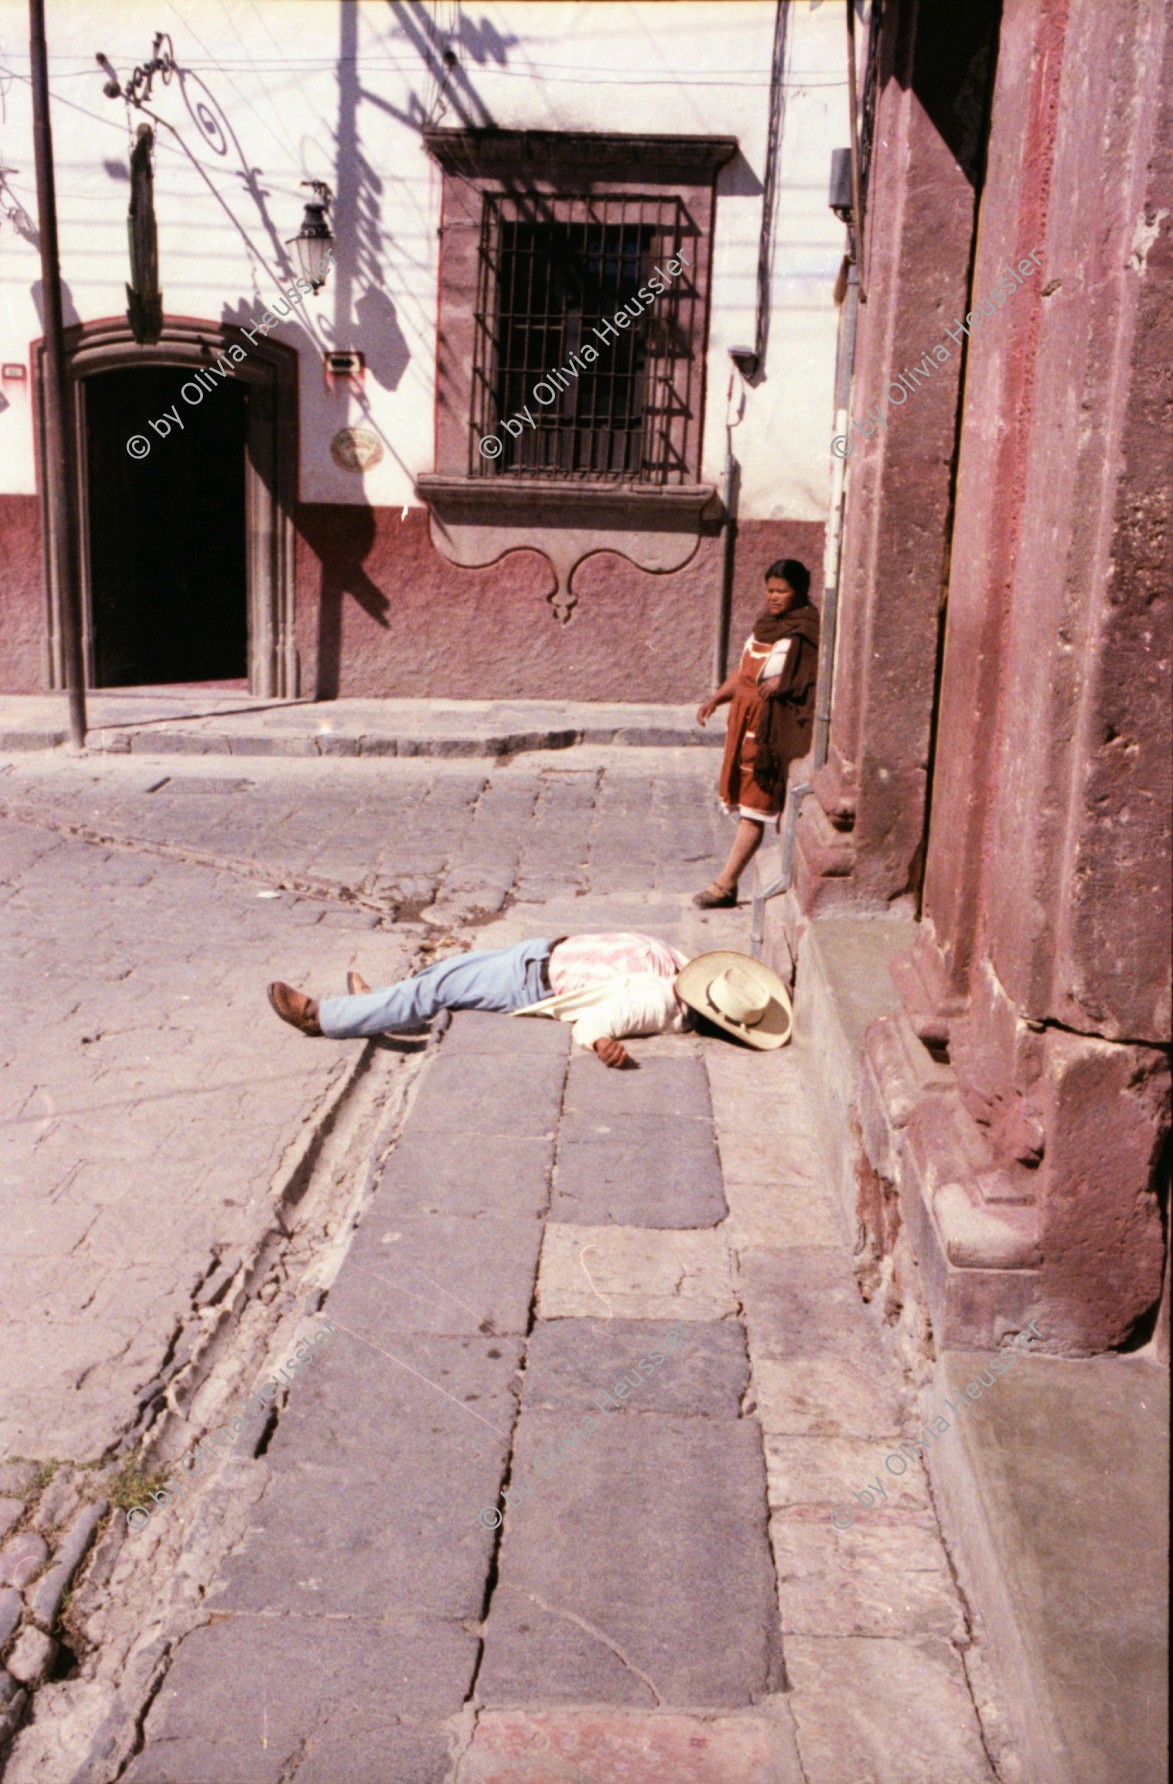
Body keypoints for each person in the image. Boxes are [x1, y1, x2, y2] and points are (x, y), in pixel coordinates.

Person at [267, 934, 792, 1065]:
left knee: (437, 988)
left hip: (531, 981)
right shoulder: (681, 969)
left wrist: (603, 1044)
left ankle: (324, 1017)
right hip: (536, 956)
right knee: (445, 972)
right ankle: (380, 1003)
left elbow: (598, 1024)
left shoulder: (661, 1001)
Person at [694, 557, 820, 907]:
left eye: (782, 591)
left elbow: (818, 675)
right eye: (770, 590)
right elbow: (744, 673)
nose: (774, 597)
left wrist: (787, 681)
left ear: (799, 592)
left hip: (775, 730)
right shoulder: (765, 626)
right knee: (756, 804)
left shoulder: (807, 631)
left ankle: (725, 884)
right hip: (745, 724)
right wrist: (717, 698)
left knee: (758, 806)